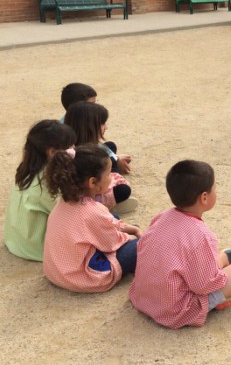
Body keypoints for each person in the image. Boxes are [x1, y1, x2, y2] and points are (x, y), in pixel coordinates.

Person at [129, 160, 231, 329]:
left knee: (202, 262)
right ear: (204, 197)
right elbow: (203, 286)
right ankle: (217, 294)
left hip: (143, 297)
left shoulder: (161, 217)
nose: (216, 191)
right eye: (215, 188)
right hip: (175, 310)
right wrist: (219, 272)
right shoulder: (201, 236)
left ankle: (218, 262)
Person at [42, 145, 142, 293]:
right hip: (86, 277)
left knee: (112, 219)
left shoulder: (62, 202)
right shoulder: (94, 212)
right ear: (93, 182)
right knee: (142, 243)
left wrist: (127, 228)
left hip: (56, 271)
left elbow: (103, 222)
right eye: (109, 174)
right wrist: (132, 235)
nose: (112, 177)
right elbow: (112, 243)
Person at [4, 120, 76, 261]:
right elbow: (70, 215)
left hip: (16, 241)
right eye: (69, 147)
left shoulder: (27, 171)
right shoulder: (46, 183)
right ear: (52, 152)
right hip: (36, 249)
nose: (73, 149)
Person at [64, 101, 136, 213]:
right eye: (103, 124)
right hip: (95, 190)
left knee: (110, 146)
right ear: (89, 127)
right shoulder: (80, 156)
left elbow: (102, 148)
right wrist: (114, 165)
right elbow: (93, 185)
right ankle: (106, 204)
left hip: (98, 171)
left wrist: (117, 158)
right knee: (124, 190)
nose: (106, 127)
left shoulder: (80, 143)